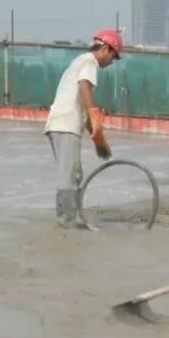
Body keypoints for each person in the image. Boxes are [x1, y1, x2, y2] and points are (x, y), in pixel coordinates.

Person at [43, 29, 122, 229]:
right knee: (68, 174)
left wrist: (97, 139)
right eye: (113, 56)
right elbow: (84, 86)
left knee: (74, 173)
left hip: (64, 123)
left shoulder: (80, 61)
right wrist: (95, 113)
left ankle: (75, 218)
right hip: (65, 125)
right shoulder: (89, 62)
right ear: (105, 49)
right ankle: (67, 220)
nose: (112, 62)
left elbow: (83, 107)